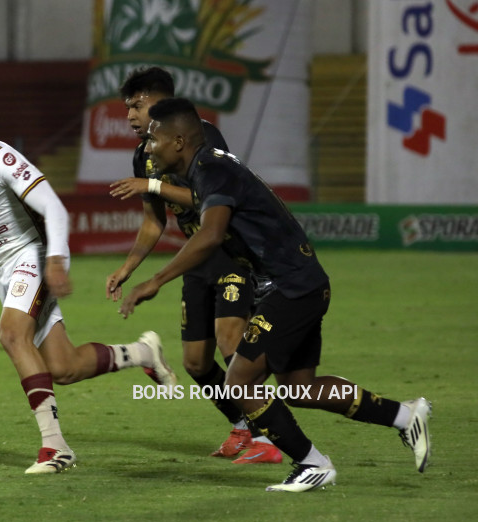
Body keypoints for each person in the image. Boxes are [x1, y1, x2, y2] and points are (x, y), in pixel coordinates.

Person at [119, 97, 431, 492]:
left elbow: (212, 234)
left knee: (240, 382)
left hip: (292, 287)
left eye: (154, 139)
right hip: (297, 283)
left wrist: (155, 280)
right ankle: (405, 417)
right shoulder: (205, 168)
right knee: (300, 387)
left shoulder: (212, 170)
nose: (148, 148)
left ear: (178, 141)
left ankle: (312, 463)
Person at [0, 83, 177, 474]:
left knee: (11, 334)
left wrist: (54, 260)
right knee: (64, 367)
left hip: (33, 254)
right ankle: (142, 354)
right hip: (0, 268)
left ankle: (55, 448)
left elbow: (53, 208)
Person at [106, 67, 281, 464]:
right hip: (195, 258)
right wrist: (129, 267)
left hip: (230, 251)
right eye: (127, 108)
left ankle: (268, 438)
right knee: (196, 363)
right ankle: (241, 425)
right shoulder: (144, 154)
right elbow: (155, 221)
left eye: (138, 105)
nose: (131, 115)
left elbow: (210, 197)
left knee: (229, 342)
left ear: (162, 100)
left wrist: (152, 186)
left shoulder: (202, 136)